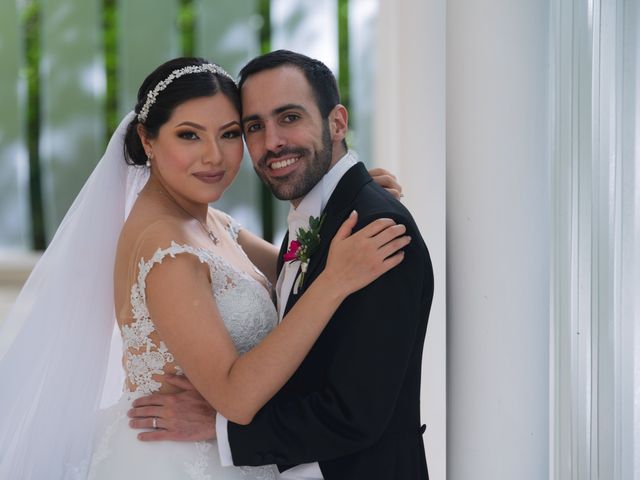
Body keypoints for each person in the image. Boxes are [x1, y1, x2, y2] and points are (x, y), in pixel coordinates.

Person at [0, 57, 409, 479]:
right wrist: (335, 283)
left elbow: (296, 271)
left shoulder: (212, 223)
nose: (214, 157)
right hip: (175, 462)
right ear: (148, 140)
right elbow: (235, 395)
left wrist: (343, 196)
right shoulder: (167, 246)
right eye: (189, 135)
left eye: (229, 134)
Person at [130, 50, 434, 479]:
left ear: (337, 123)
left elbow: (356, 413)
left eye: (289, 117)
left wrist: (357, 193)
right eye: (254, 127)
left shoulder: (369, 232)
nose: (271, 142)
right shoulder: (171, 241)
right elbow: (305, 284)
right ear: (148, 140)